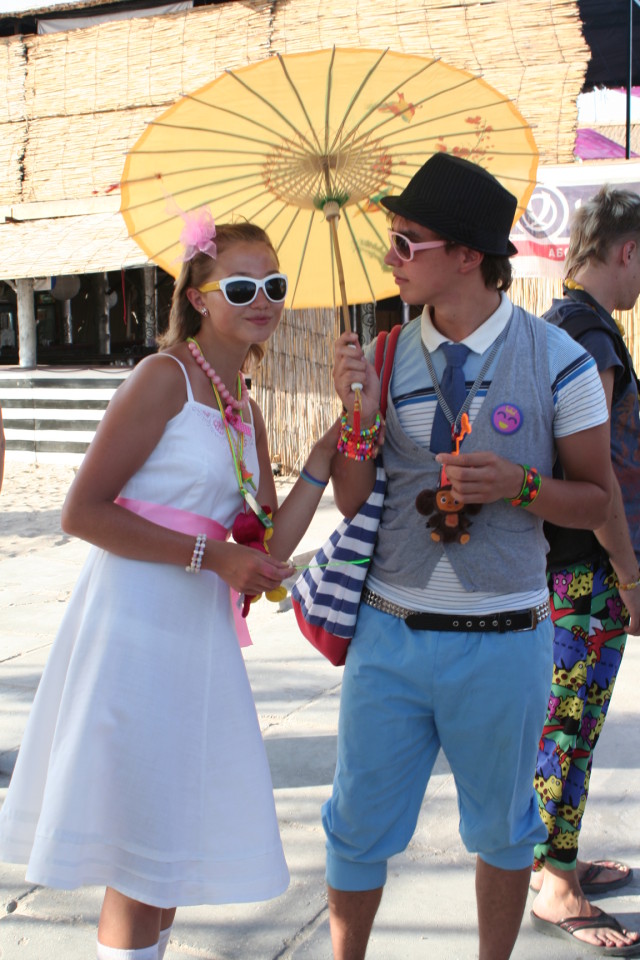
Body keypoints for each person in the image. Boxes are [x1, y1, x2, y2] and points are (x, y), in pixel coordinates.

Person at [0, 217, 339, 960]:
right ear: (197, 296)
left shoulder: (244, 406)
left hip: (196, 636)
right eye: (241, 287)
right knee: (139, 852)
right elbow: (81, 513)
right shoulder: (164, 378)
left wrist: (322, 457)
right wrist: (210, 558)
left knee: (168, 846)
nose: (263, 300)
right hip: (133, 630)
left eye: (275, 285)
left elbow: (266, 548)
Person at [324, 152, 614, 960]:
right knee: (356, 828)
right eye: (390, 238)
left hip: (504, 639)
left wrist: (523, 486)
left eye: (406, 241)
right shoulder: (384, 354)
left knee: (506, 831)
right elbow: (351, 500)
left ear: (465, 255)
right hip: (389, 635)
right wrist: (357, 420)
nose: (390, 255)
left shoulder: (560, 360)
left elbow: (597, 501)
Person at [530, 185, 640, 955]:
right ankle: (556, 884)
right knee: (570, 723)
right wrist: (630, 574)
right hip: (587, 569)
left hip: (568, 566)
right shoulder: (590, 339)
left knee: (567, 720)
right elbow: (591, 477)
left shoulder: (563, 324)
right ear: (628, 250)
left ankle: (552, 859)